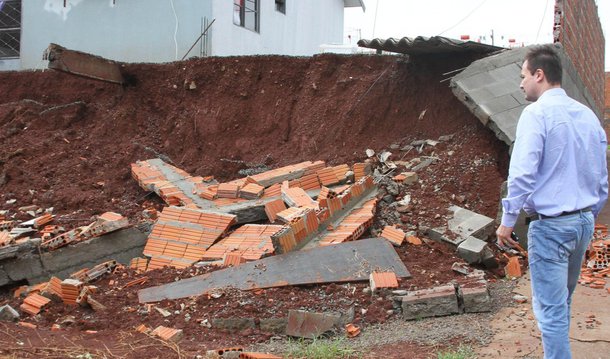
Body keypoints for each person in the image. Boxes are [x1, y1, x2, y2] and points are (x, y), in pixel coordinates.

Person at [496, 45, 608, 359]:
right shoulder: (587, 116)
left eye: (523, 75)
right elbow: (601, 177)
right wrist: (586, 215)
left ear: (539, 75)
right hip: (583, 221)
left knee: (550, 310)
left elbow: (522, 173)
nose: (521, 84)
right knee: (562, 303)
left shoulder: (536, 114)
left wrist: (508, 221)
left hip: (552, 227)